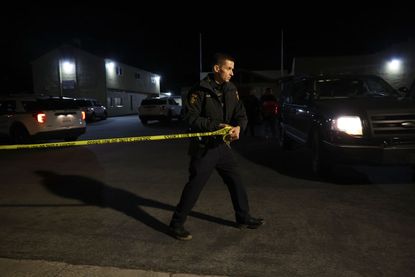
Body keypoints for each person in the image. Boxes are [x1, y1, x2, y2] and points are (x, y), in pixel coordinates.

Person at [169, 53, 264, 241]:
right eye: (229, 69)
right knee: (195, 186)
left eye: (232, 69)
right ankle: (176, 224)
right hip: (205, 148)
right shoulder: (199, 91)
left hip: (223, 146)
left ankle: (243, 218)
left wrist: (238, 128)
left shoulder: (231, 89)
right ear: (216, 69)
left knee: (235, 181)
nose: (232, 73)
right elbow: (190, 118)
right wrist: (215, 126)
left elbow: (241, 115)